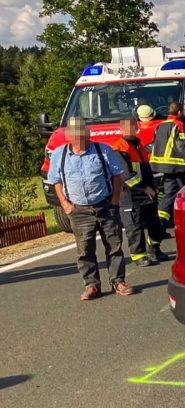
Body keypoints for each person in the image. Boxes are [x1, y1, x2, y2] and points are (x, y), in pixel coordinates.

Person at [47, 117, 135, 299]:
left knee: (114, 246)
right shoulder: (59, 154)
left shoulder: (103, 150)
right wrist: (65, 204)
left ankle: (118, 281)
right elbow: (55, 181)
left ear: (87, 134)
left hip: (105, 206)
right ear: (69, 137)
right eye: (76, 135)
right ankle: (91, 285)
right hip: (78, 211)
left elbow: (117, 176)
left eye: (83, 134)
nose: (80, 138)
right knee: (85, 250)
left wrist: (115, 200)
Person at [112, 118, 166, 267]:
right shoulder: (119, 147)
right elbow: (126, 175)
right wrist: (144, 188)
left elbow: (146, 168)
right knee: (134, 227)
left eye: (133, 127)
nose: (132, 130)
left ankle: (155, 249)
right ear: (122, 129)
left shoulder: (138, 144)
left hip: (147, 192)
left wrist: (152, 186)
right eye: (128, 128)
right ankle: (139, 256)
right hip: (130, 195)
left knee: (154, 223)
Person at [149, 101, 185, 233]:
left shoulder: (160, 125)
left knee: (169, 195)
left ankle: (159, 224)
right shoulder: (179, 125)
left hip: (162, 167)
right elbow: (182, 146)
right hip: (178, 167)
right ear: (179, 112)